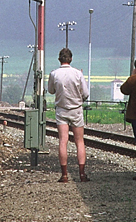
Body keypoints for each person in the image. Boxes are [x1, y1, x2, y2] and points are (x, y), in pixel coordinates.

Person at [47, 48, 91, 183]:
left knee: (63, 141)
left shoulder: (54, 74)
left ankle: (64, 175)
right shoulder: (78, 74)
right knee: (79, 142)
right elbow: (86, 93)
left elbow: (51, 90)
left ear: (59, 59)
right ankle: (82, 174)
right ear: (71, 59)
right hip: (76, 110)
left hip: (61, 110)